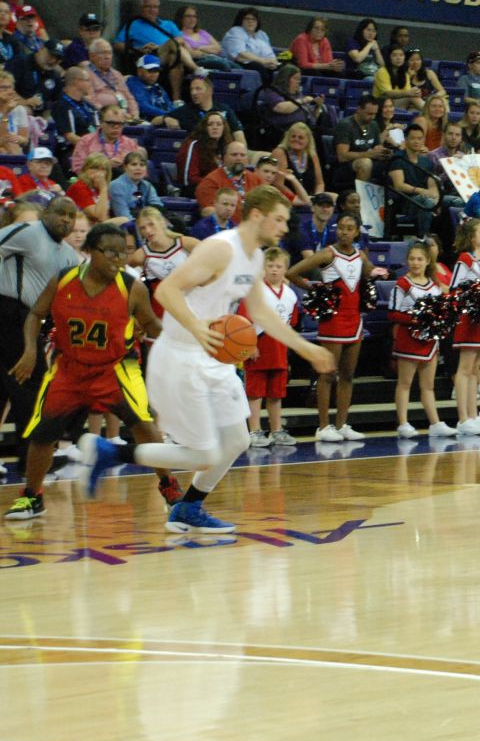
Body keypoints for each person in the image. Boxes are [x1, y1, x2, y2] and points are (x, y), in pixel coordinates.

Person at [92, 187, 334, 532]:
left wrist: (306, 348)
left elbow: (262, 314)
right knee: (203, 453)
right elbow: (166, 290)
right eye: (278, 219)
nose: (284, 227)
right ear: (255, 215)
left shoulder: (253, 258)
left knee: (238, 440)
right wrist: (196, 326)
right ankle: (109, 453)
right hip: (181, 354)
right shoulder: (221, 248)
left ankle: (189, 508)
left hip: (213, 358)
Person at [5, 221, 176, 521]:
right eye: (109, 253)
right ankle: (32, 497)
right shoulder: (63, 279)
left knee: (145, 426)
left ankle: (169, 486)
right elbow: (35, 314)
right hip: (68, 368)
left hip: (116, 368)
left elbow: (151, 325)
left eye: (122, 253)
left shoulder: (132, 288)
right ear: (88, 252)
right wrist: (30, 351)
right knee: (43, 434)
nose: (117, 260)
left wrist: (181, 340)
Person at [0, 198, 82, 487]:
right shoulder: (28, 231)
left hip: (32, 320)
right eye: (61, 213)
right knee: (30, 386)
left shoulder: (70, 256)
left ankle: (31, 455)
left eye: (72, 216)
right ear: (47, 213)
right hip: (9, 311)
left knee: (6, 389)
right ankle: (29, 459)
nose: (66, 220)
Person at [288, 211, 378, 442]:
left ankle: (341, 425)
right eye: (341, 228)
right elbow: (292, 273)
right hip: (333, 321)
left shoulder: (360, 256)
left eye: (349, 228)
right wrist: (316, 290)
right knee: (327, 374)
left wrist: (380, 273)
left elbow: (370, 275)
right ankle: (323, 426)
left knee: (347, 375)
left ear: (357, 232)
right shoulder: (327, 254)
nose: (344, 232)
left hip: (354, 321)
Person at [388, 240, 453, 437]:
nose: (415, 263)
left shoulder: (435, 286)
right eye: (412, 259)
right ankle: (403, 423)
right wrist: (418, 318)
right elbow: (393, 314)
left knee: (428, 385)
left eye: (419, 259)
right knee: (405, 383)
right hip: (409, 339)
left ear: (427, 261)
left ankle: (435, 423)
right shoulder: (402, 285)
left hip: (430, 340)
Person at [243, 247, 300, 448]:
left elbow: (291, 322)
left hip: (279, 349)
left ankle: (276, 430)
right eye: (270, 265)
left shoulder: (291, 295)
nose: (274, 270)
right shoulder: (255, 291)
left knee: (276, 393)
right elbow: (244, 320)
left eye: (279, 266)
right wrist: (249, 344)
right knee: (255, 393)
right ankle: (255, 430)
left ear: (286, 269)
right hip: (259, 346)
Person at [448, 217, 480, 434]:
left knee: (475, 369)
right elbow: (454, 290)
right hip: (470, 319)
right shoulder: (464, 260)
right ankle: (463, 418)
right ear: (471, 237)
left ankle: (473, 414)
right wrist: (473, 300)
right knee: (465, 369)